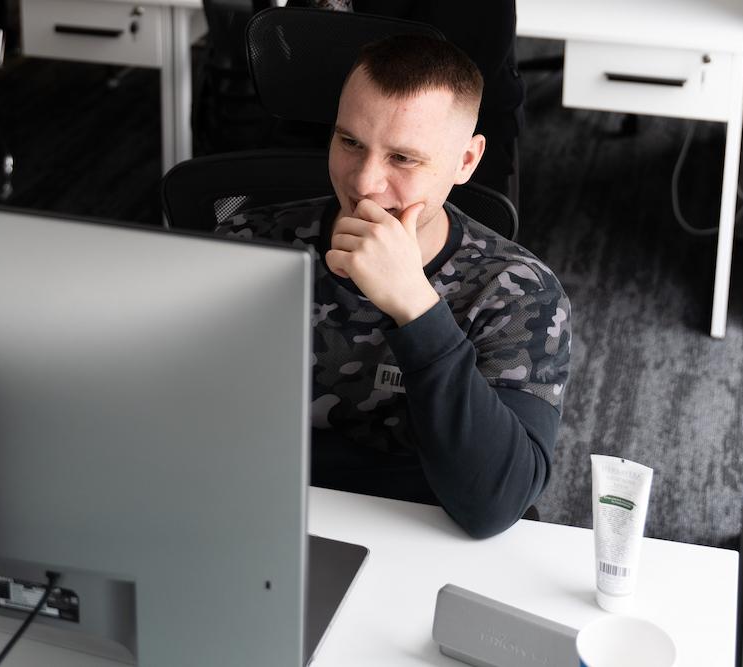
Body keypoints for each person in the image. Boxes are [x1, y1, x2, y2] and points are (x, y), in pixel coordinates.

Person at [216, 34, 570, 539]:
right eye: (350, 142)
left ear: (466, 161)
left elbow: (496, 503)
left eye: (403, 158)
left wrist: (416, 308)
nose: (363, 182)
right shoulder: (247, 243)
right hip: (263, 515)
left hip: (418, 534)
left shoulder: (518, 292)